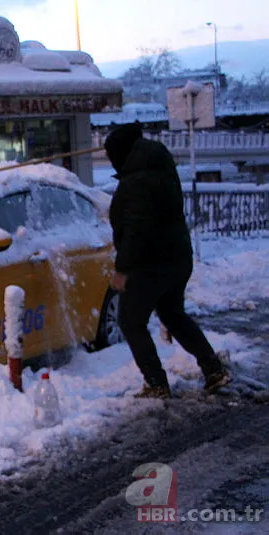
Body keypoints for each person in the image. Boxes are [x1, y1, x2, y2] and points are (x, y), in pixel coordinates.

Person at [103, 122, 231, 399]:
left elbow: (136, 229)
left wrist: (122, 269)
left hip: (150, 264)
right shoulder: (159, 167)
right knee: (173, 315)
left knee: (131, 321)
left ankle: (156, 383)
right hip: (177, 258)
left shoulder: (137, 181)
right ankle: (213, 369)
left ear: (121, 153)